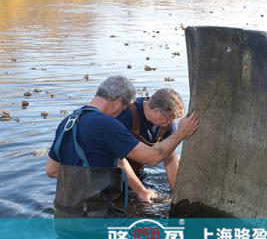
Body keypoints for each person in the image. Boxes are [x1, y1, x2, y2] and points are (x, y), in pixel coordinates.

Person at [45, 75, 199, 217]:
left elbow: (51, 170)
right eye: (125, 107)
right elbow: (152, 157)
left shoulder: (68, 121)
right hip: (96, 218)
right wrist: (181, 134)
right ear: (118, 102)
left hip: (64, 215)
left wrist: (85, 177)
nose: (123, 111)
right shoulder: (107, 125)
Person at [116, 88, 185, 203]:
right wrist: (141, 191)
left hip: (135, 172)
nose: (170, 123)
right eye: (169, 119)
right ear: (156, 111)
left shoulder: (166, 124)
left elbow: (170, 158)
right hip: (108, 171)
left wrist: (175, 193)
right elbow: (117, 160)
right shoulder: (125, 114)